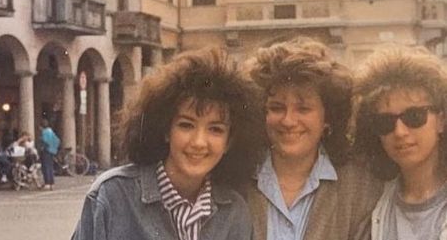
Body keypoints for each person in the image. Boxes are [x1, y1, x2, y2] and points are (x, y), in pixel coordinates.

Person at [72, 47, 266, 240]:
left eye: (215, 129)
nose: (199, 142)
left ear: (229, 142)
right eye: (186, 125)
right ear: (166, 129)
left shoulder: (235, 212)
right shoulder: (111, 196)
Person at [245, 37, 382, 240]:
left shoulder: (359, 187)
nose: (288, 120)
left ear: (327, 118)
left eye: (303, 108)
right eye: (276, 107)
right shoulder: (238, 179)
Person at [354, 45, 447, 240]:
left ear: (441, 120)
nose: (400, 132)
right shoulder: (370, 203)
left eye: (414, 116)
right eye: (385, 122)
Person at [40, 118, 60, 190]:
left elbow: (45, 141)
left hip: (46, 151)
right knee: (50, 167)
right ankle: (52, 183)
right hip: (52, 151)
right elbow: (57, 140)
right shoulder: (51, 131)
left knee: (46, 167)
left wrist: (43, 147)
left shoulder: (44, 132)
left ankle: (47, 183)